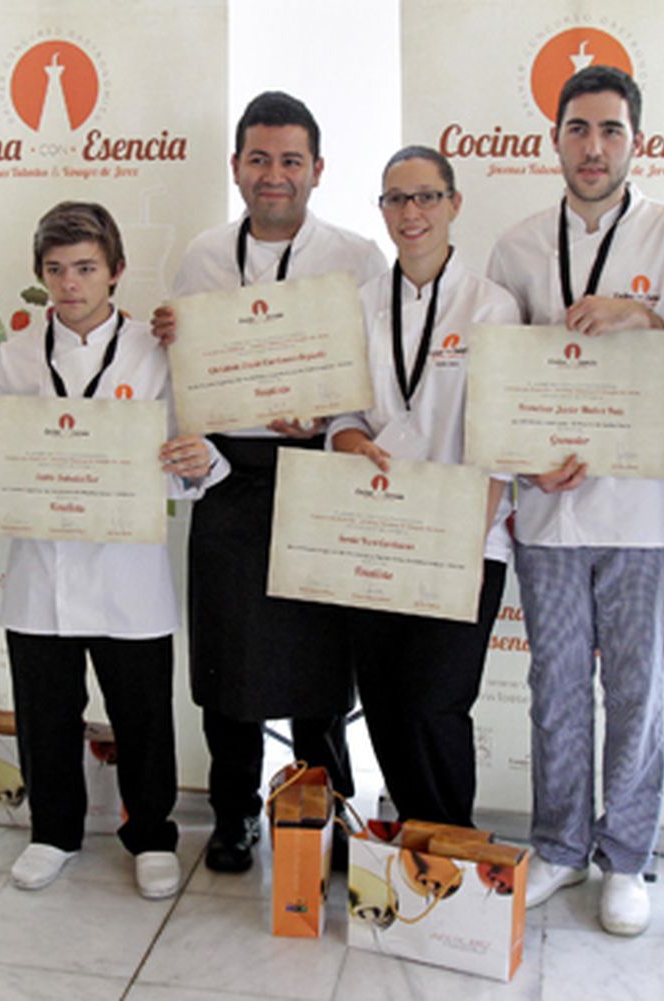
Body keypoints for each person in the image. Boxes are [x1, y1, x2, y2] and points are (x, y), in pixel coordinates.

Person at [486, 66, 664, 936]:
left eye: (611, 132)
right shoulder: (514, 246)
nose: (594, 148)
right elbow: (495, 384)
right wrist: (519, 459)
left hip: (642, 508)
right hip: (548, 508)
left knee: (633, 687)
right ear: (554, 139)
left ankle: (627, 855)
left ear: (638, 141)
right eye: (579, 130)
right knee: (553, 680)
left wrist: (649, 325)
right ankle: (557, 844)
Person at [0, 201, 224, 899]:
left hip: (129, 572)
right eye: (56, 270)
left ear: (117, 272)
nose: (70, 284)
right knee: (45, 709)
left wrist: (197, 459)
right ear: (40, 276)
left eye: (86, 268)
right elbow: (5, 462)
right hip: (42, 569)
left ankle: (153, 833)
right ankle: (53, 830)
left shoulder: (158, 350)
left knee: (142, 712)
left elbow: (193, 456)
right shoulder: (14, 356)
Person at [151, 91, 385, 873]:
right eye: (259, 158)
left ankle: (333, 812)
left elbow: (379, 381)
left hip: (321, 472)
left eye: (290, 160)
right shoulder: (202, 256)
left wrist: (325, 417)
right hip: (229, 475)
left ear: (317, 169)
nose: (274, 175)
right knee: (228, 663)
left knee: (323, 665)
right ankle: (232, 813)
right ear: (237, 168)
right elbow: (187, 378)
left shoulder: (358, 257)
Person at [327, 146, 519, 828]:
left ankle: (451, 846)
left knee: (436, 701)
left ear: (453, 204)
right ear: (382, 209)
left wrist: (464, 541)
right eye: (396, 199)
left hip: (464, 540)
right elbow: (346, 412)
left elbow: (502, 438)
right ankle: (412, 840)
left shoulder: (492, 307)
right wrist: (347, 437)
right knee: (381, 695)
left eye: (427, 197)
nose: (412, 213)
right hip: (377, 535)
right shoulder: (360, 304)